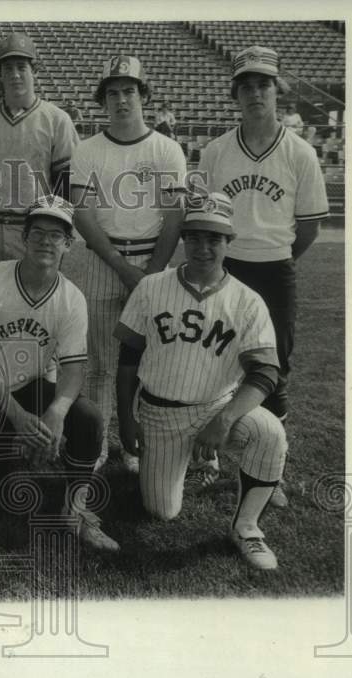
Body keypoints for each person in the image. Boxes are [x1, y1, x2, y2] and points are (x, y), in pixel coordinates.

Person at [114, 193, 288, 570]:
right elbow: (128, 358)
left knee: (269, 433)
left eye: (214, 239)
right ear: (183, 239)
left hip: (218, 407)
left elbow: (265, 372)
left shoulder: (247, 300)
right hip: (161, 413)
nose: (203, 247)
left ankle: (247, 528)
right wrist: (126, 420)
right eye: (194, 237)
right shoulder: (152, 287)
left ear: (229, 242)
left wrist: (222, 421)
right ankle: (193, 462)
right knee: (162, 512)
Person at [196, 45, 329, 507]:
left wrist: (276, 255)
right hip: (226, 267)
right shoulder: (215, 151)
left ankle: (269, 470)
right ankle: (208, 456)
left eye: (264, 85)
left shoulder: (300, 153)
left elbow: (308, 227)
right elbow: (206, 219)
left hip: (275, 269)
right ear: (236, 94)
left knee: (274, 368)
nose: (256, 93)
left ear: (278, 91)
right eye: (247, 86)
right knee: (214, 361)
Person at [0, 195, 118, 552]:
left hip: (31, 385)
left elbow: (74, 367)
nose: (46, 241)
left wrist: (57, 412)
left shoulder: (71, 297)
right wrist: (17, 417)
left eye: (56, 235)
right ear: (24, 237)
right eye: (38, 233)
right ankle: (19, 450)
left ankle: (74, 508)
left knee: (88, 417)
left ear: (69, 244)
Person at [70, 55, 186, 474]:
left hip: (154, 261)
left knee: (147, 362)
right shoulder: (87, 149)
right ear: (103, 100)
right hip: (105, 258)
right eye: (114, 92)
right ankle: (98, 444)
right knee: (100, 363)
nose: (122, 100)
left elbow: (174, 216)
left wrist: (153, 271)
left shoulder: (166, 148)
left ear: (144, 96)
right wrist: (121, 265)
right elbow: (82, 214)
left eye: (130, 91)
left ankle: (135, 443)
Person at [0, 32, 80, 283]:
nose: (15, 74)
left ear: (34, 70)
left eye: (21, 67)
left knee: (31, 305)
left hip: (34, 229)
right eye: (8, 67)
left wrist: (55, 235)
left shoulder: (57, 119)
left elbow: (65, 187)